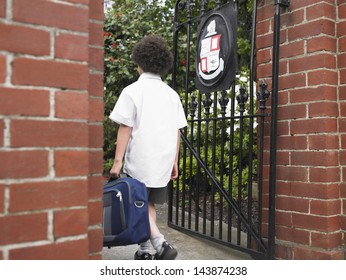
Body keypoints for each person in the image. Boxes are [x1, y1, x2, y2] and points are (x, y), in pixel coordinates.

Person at [109, 35, 187, 260]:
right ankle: (145, 251)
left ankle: (161, 244)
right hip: (162, 160)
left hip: (140, 160)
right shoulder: (172, 95)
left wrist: (117, 163)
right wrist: (174, 161)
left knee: (138, 204)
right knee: (147, 203)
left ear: (139, 62)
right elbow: (176, 131)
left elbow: (125, 127)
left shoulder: (133, 91)